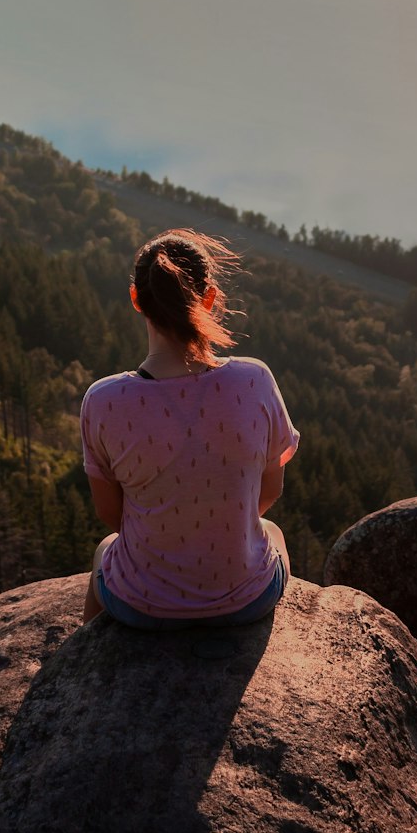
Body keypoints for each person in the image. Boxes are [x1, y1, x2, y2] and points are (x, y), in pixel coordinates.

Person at [80, 228, 298, 627]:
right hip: (246, 602)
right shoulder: (256, 380)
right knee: (272, 532)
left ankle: (81, 671)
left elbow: (110, 513)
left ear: (135, 300)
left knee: (107, 547)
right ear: (210, 298)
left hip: (141, 607)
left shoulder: (103, 399)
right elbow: (271, 489)